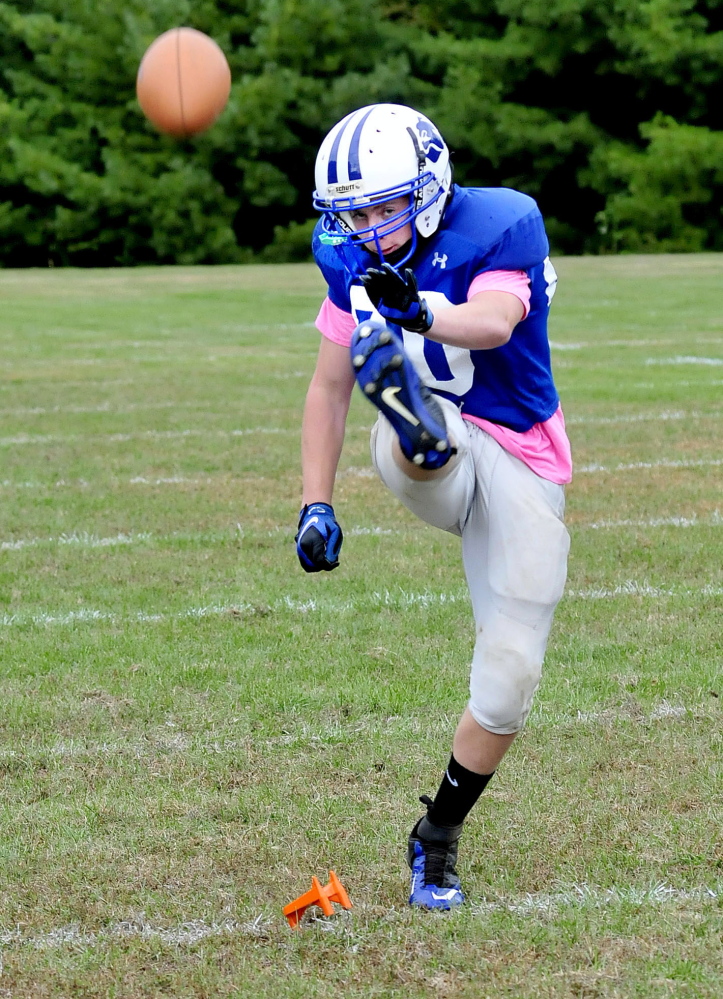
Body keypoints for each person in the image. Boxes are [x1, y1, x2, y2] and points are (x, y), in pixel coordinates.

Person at [295, 103, 571, 909]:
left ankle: (438, 832)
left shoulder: (500, 222)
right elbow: (327, 383)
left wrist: (422, 312)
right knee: (418, 435)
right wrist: (315, 501)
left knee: (510, 678)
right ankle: (411, 422)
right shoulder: (343, 255)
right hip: (436, 451)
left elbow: (493, 320)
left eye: (383, 206)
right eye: (351, 214)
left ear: (429, 182)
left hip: (519, 449)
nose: (368, 228)